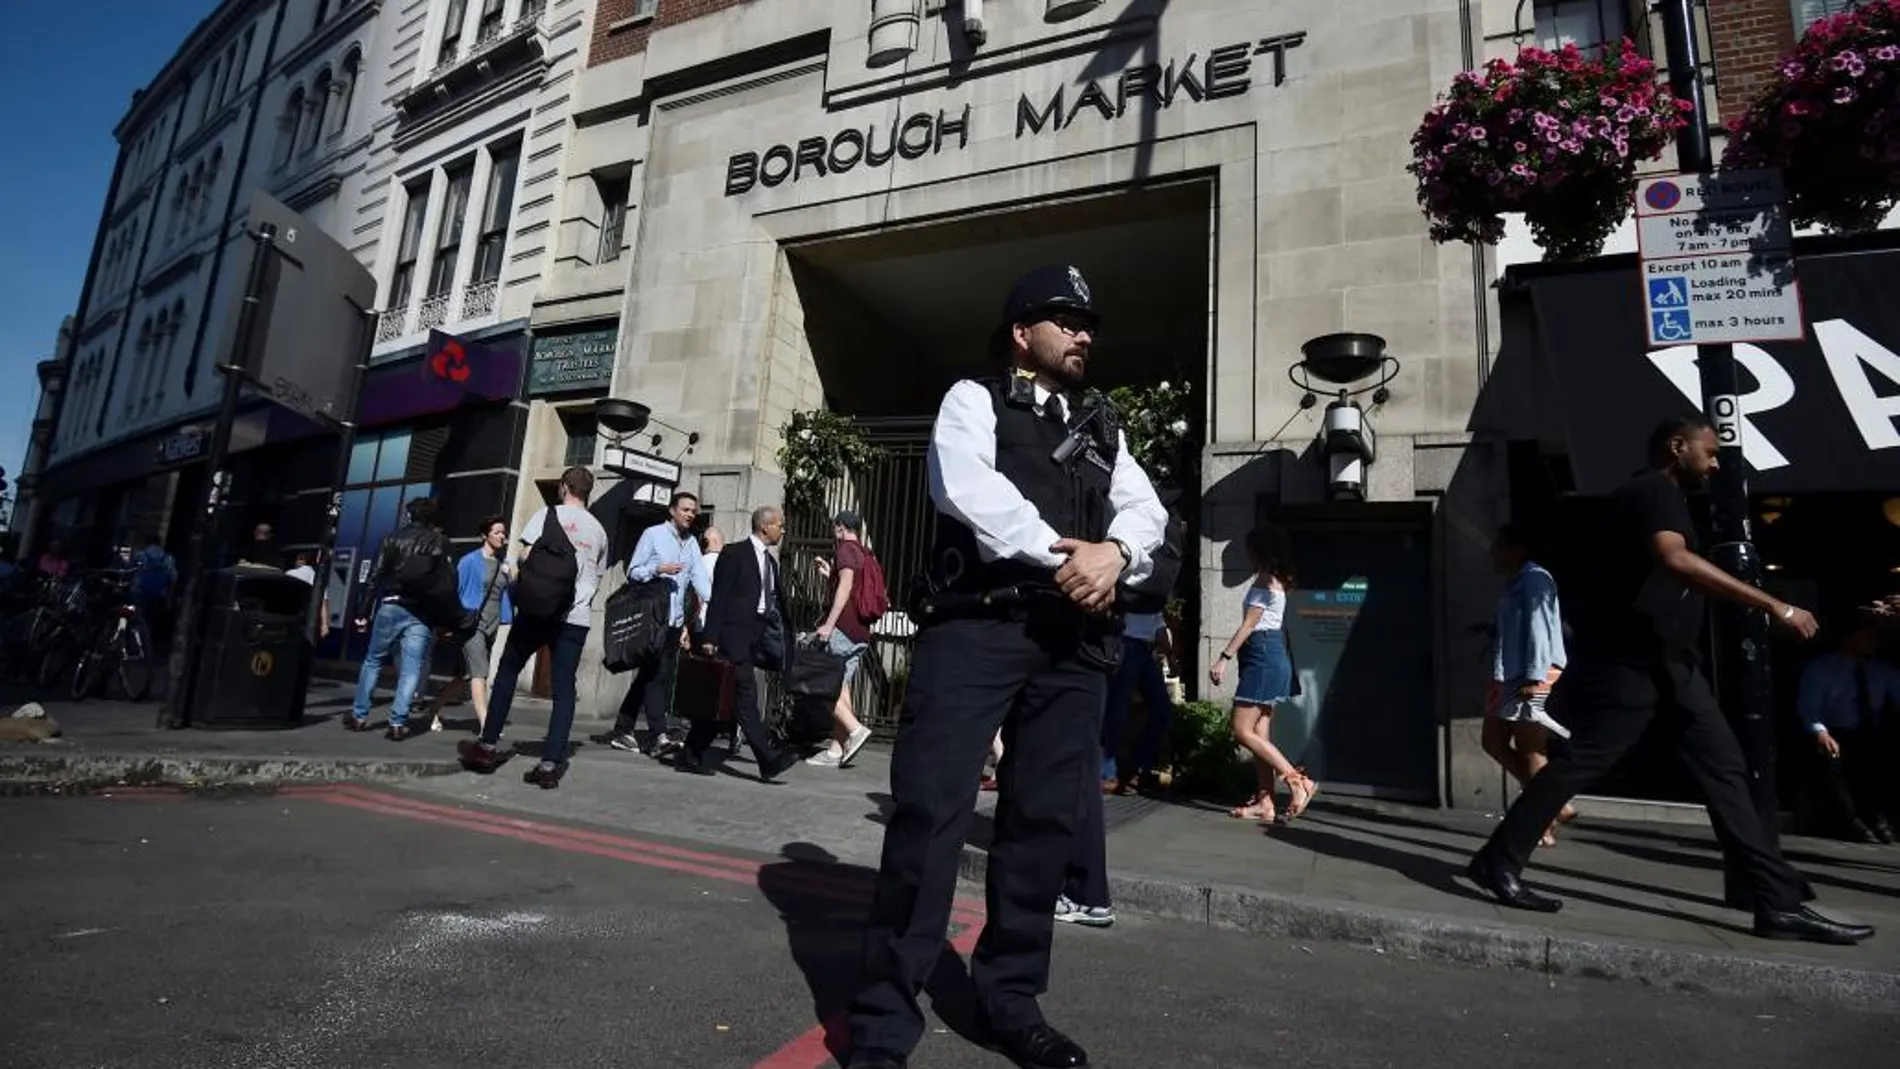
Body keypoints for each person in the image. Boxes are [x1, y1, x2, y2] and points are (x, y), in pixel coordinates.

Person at [845, 265, 1167, 1069]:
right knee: (930, 814)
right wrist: (1069, 557)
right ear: (1023, 332)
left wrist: (1116, 553)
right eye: (1066, 320)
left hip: (1073, 642)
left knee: (1043, 824)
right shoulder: (974, 399)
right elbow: (965, 489)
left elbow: (1146, 510)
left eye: (1089, 324)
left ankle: (1009, 998)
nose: (1084, 334)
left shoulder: (1104, 425)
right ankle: (882, 1022)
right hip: (978, 628)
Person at [1464, 415, 1873, 947]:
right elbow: (1673, 559)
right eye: (1710, 451)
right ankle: (1498, 860)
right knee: (1581, 763)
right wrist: (1775, 605)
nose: (1716, 463)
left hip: (1671, 667)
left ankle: (1776, 903)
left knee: (1726, 772)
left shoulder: (1657, 496)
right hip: (1636, 666)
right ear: (1677, 447)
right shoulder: (1652, 492)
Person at [459, 467, 610, 788]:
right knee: (564, 689)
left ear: (564, 487)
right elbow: (596, 577)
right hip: (575, 618)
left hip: (536, 612)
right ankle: (550, 764)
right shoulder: (599, 531)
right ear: (588, 492)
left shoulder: (546, 515)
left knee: (508, 671)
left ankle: (487, 747)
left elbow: (524, 557)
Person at [1208, 526, 1317, 826]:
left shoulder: (1266, 580)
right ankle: (1265, 802)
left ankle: (1297, 781)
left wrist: (1223, 658)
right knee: (1259, 731)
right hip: (1269, 654)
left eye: (1250, 549)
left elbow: (1249, 625)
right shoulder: (1276, 579)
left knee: (1241, 729)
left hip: (1263, 655)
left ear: (1261, 551)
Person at [682, 505, 799, 780]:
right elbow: (719, 597)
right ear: (765, 527)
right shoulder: (734, 554)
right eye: (780, 525)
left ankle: (690, 754)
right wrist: (710, 637)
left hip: (754, 638)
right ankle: (768, 760)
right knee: (745, 699)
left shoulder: (770, 563)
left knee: (722, 699)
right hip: (731, 639)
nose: (783, 531)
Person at [1482, 522, 1578, 847]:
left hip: (1530, 674)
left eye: (1499, 546)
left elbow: (1539, 628)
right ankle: (1555, 805)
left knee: (1531, 750)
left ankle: (1542, 822)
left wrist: (1536, 676)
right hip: (1507, 674)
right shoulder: (1517, 582)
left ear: (1517, 548)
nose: (1494, 552)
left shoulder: (1535, 579)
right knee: (1493, 741)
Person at [611, 492, 710, 757]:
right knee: (657, 674)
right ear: (672, 510)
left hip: (674, 620)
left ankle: (623, 728)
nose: (690, 515)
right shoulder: (653, 534)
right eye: (685, 510)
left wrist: (718, 603)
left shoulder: (691, 543)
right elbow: (633, 571)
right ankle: (658, 735)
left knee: (650, 674)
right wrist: (658, 570)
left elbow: (700, 578)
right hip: (653, 619)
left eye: (693, 511)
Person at [348, 498, 451, 740]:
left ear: (408, 515)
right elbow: (446, 582)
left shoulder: (392, 538)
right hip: (421, 612)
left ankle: (359, 716)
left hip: (392, 604)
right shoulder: (440, 542)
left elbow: (376, 575)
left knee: (373, 660)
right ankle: (397, 722)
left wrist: (363, 611)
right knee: (411, 668)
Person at [1798, 619, 1900, 843]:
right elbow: (1809, 707)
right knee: (1832, 758)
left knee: (1884, 753)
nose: (1874, 642)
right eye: (1867, 636)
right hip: (1836, 732)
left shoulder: (1881, 670)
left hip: (1870, 733)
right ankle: (1850, 820)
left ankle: (1878, 816)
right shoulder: (1823, 668)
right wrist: (1821, 732)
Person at [805, 509, 878, 769]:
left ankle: (856, 730)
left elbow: (846, 587)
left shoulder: (845, 549)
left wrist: (829, 624)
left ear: (840, 527)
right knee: (842, 688)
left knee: (823, 684)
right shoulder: (864, 552)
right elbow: (853, 585)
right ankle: (836, 750)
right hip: (861, 631)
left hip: (843, 629)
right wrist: (830, 574)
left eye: (834, 527)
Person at [442, 516, 513, 733]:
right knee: (479, 673)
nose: (502, 536)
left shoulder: (503, 563)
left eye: (503, 533)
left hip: (492, 624)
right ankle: (487, 726)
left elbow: (506, 592)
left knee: (464, 676)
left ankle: (432, 710)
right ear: (484, 535)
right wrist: (449, 623)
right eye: (497, 532)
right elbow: (455, 592)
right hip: (473, 624)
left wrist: (511, 576)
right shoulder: (469, 561)